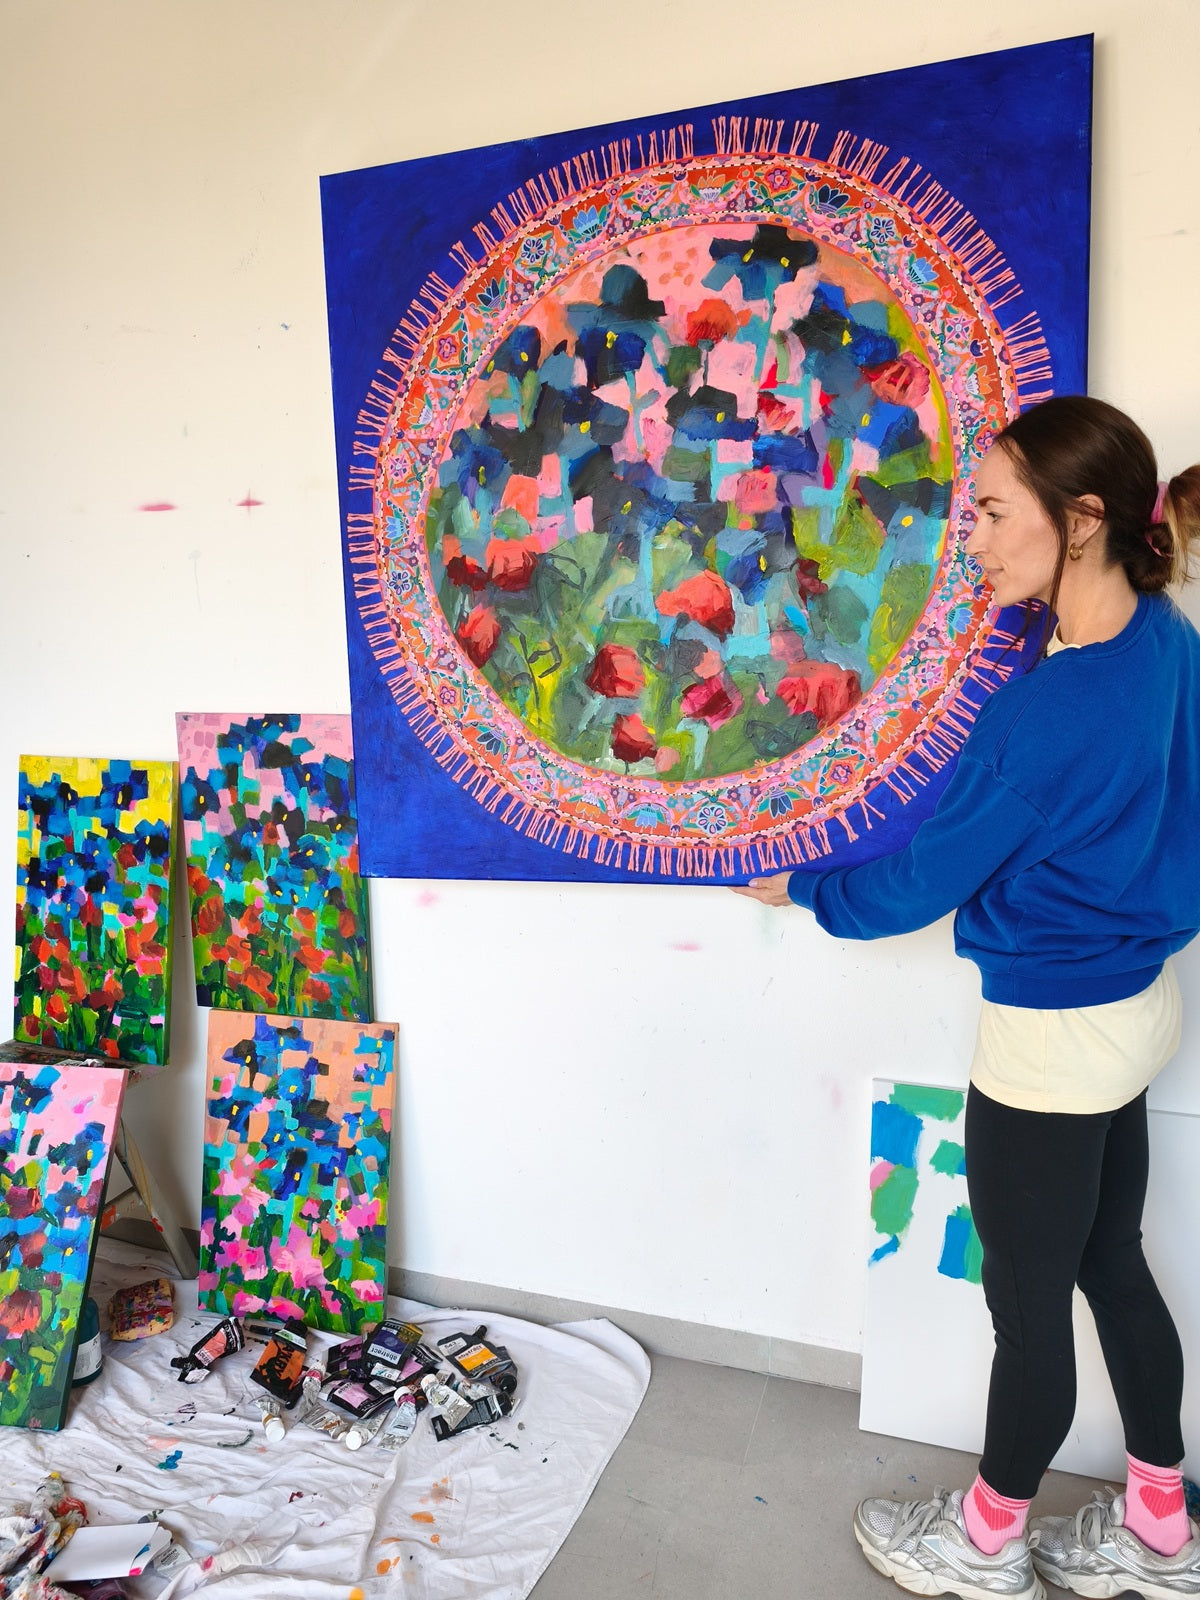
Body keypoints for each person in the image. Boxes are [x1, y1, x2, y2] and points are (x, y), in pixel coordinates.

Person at [735, 395, 1200, 1600]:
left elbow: (916, 884)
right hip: (1135, 1010)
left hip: (1050, 1036)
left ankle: (987, 1543)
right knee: (1113, 1261)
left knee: (1028, 1308)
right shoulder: (1165, 640)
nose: (974, 540)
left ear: (1082, 519)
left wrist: (804, 886)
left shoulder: (1044, 712)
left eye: (993, 513)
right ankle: (1162, 1529)